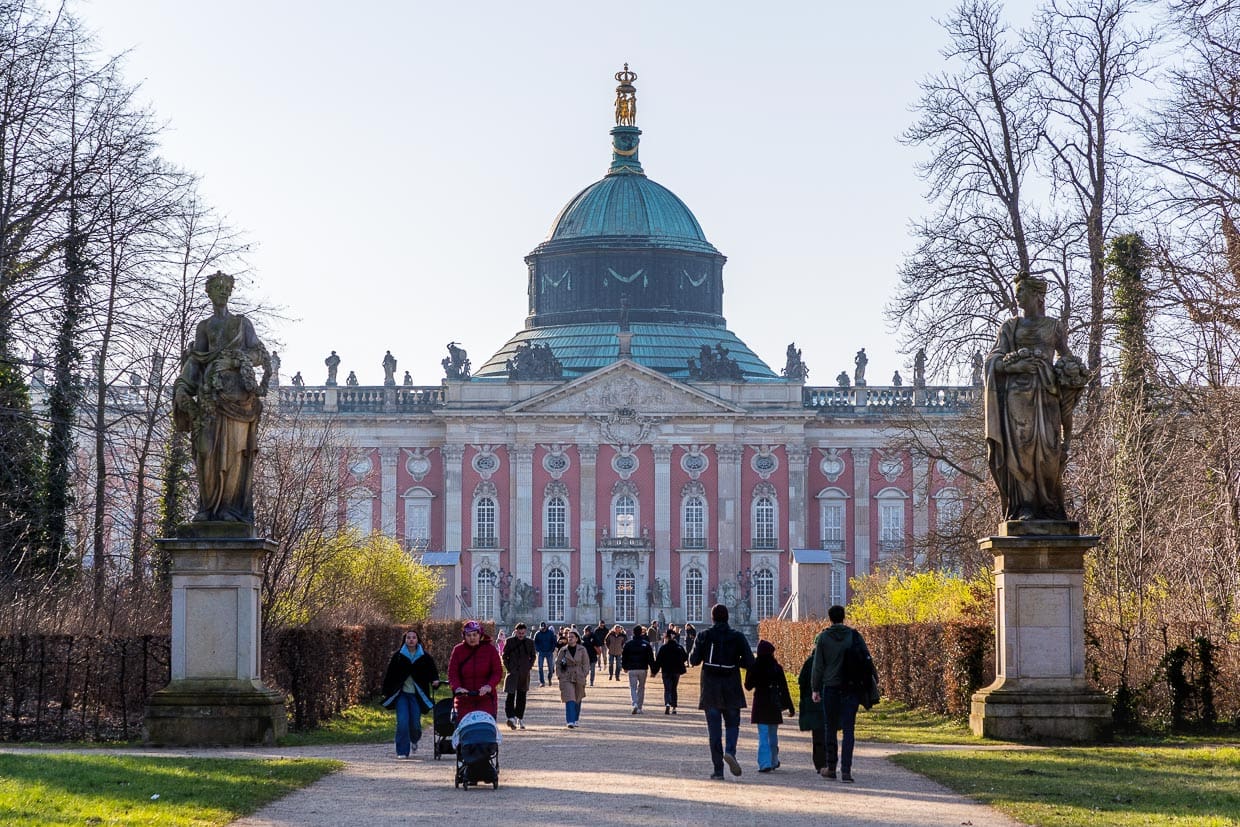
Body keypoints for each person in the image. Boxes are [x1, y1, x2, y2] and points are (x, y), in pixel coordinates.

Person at [984, 275, 1088, 521]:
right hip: (1017, 399)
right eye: (1017, 292)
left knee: (1049, 450)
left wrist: (1074, 373)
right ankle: (1026, 506)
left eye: (1021, 292)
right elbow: (993, 361)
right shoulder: (1010, 327)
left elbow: (1066, 356)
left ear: (1037, 296)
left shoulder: (1053, 326)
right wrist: (1014, 367)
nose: (1017, 296)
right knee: (1020, 452)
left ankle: (1049, 505)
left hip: (1046, 394)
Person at [172, 272, 271, 524]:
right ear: (209, 292)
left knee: (234, 455)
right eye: (217, 288)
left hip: (238, 400)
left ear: (230, 292)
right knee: (206, 452)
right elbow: (196, 359)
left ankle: (229, 509)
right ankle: (206, 508)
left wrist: (236, 359)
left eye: (226, 288)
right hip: (209, 400)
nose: (222, 292)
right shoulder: (205, 327)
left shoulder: (242, 324)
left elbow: (259, 354)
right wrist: (183, 386)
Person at [689, 602, 755, 780]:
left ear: (712, 618)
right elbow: (750, 662)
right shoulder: (738, 637)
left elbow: (693, 660)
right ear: (727, 617)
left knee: (714, 731)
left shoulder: (704, 635)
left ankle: (718, 770)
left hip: (710, 688)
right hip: (731, 686)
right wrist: (734, 662)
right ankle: (730, 751)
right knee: (733, 725)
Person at [810, 604, 874, 783]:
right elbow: (866, 660)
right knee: (849, 730)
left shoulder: (823, 637)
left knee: (830, 728)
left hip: (831, 687)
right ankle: (846, 770)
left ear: (830, 618)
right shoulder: (854, 635)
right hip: (851, 687)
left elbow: (818, 666)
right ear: (844, 617)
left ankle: (831, 767)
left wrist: (815, 688)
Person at [380, 629, 440, 759]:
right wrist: (386, 690)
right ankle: (402, 751)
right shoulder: (399, 656)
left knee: (415, 724)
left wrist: (435, 680)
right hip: (402, 694)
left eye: (413, 637)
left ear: (418, 640)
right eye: (408, 638)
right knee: (402, 722)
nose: (411, 640)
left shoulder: (424, 656)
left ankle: (414, 739)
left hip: (417, 695)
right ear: (405, 640)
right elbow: (390, 674)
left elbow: (432, 671)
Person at [745, 639, 794, 773]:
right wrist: (790, 706)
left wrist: (750, 669)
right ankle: (773, 760)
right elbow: (784, 688)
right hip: (773, 703)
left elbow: (748, 686)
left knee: (763, 735)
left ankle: (764, 763)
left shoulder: (755, 666)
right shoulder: (776, 667)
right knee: (773, 735)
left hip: (760, 702)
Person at [448, 620, 503, 719]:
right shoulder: (458, 650)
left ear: (480, 635)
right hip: (464, 698)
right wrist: (457, 687)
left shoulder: (490, 650)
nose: (472, 638)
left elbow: (497, 671)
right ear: (464, 636)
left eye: (474, 635)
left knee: (485, 727)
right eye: (468, 635)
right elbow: (453, 673)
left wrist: (489, 685)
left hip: (486, 697)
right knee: (464, 728)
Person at [797, 652, 828, 777]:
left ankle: (820, 763)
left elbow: (802, 681)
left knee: (818, 735)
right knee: (828, 733)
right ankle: (829, 761)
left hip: (813, 703)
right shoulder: (831, 660)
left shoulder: (810, 661)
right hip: (828, 700)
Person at [502, 622, 536, 730]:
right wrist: (509, 668)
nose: (521, 635)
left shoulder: (530, 642)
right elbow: (504, 656)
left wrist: (528, 667)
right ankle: (511, 717)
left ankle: (519, 718)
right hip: (512, 673)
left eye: (522, 633)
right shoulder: (510, 641)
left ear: (525, 632)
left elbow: (533, 656)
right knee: (510, 696)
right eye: (519, 633)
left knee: (522, 697)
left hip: (524, 673)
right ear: (515, 631)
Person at [556, 628, 590, 728]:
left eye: (572, 637)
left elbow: (586, 663)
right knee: (569, 698)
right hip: (566, 676)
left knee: (577, 698)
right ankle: (570, 721)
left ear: (577, 638)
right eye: (569, 637)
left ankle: (575, 719)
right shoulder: (563, 650)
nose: (570, 638)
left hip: (579, 675)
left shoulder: (582, 649)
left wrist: (584, 674)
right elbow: (557, 663)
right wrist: (560, 675)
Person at [621, 624, 656, 714]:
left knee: (633, 687)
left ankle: (635, 703)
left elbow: (624, 656)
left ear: (633, 632)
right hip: (643, 668)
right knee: (641, 687)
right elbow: (651, 658)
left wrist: (624, 667)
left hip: (632, 668)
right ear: (641, 632)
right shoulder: (646, 644)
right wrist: (653, 670)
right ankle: (639, 707)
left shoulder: (628, 644)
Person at [654, 628, 688, 714]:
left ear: (667, 638)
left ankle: (668, 703)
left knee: (667, 688)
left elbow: (658, 660)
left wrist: (654, 671)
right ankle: (674, 707)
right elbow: (685, 657)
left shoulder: (663, 648)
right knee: (674, 688)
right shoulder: (679, 647)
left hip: (666, 670)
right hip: (676, 670)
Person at [534, 621, 557, 687]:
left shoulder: (550, 633)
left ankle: (549, 678)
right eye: (542, 628)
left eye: (544, 628)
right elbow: (535, 642)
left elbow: (554, 641)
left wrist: (552, 649)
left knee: (550, 668)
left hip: (549, 652)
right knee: (540, 667)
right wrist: (538, 650)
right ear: (540, 627)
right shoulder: (537, 634)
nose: (543, 629)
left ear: (546, 627)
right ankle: (542, 682)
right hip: (541, 652)